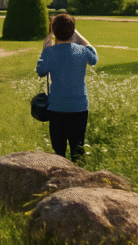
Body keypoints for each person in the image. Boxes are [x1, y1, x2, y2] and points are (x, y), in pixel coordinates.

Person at [36, 13, 98, 163]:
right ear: (72, 31)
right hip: (79, 107)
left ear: (54, 31)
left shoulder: (49, 52)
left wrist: (48, 40)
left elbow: (41, 71)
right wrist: (76, 33)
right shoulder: (82, 51)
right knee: (78, 150)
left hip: (57, 107)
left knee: (59, 152)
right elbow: (94, 57)